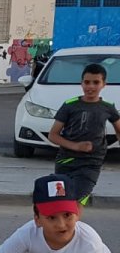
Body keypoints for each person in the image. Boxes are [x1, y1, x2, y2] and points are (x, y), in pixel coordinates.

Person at [47, 62, 120, 205]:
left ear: (104, 84)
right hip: (66, 161)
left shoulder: (108, 108)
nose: (90, 87)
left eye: (96, 82)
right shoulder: (70, 105)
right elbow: (53, 135)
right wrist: (76, 146)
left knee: (76, 202)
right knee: (60, 202)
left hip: (91, 164)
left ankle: (75, 227)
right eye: (87, 82)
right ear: (81, 83)